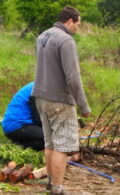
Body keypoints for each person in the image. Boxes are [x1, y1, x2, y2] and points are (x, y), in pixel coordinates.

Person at [32, 6, 91, 195]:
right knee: (63, 146)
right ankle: (57, 189)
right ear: (69, 21)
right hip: (59, 100)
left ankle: (50, 182)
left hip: (40, 96)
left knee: (50, 143)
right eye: (77, 24)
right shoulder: (66, 40)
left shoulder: (42, 36)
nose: (77, 28)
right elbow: (72, 77)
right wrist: (83, 105)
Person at [2, 82, 44, 151]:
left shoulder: (40, 85)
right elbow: (38, 119)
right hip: (17, 126)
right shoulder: (38, 89)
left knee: (49, 139)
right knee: (51, 139)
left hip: (23, 125)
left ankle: (21, 143)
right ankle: (19, 146)